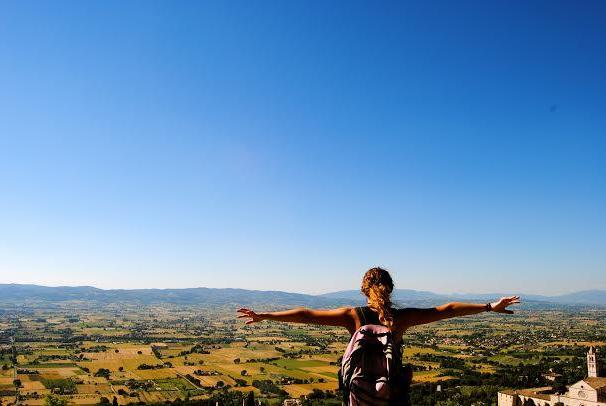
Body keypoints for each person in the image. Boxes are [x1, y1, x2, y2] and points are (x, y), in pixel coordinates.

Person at [237, 267, 520, 404]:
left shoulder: (353, 316)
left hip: (359, 396)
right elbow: (446, 309)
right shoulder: (402, 318)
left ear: (364, 290)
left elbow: (306, 314)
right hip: (393, 395)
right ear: (391, 288)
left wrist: (265, 315)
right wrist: (488, 306)